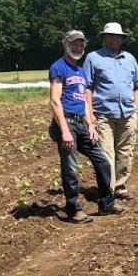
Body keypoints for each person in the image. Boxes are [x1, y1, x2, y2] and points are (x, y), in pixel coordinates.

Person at [47, 30, 121, 222]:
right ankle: (73, 210)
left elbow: (85, 103)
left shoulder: (80, 71)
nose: (78, 47)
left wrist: (91, 126)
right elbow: (55, 101)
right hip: (67, 123)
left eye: (81, 44)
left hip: (82, 123)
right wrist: (64, 131)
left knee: (103, 161)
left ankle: (107, 204)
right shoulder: (58, 67)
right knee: (71, 167)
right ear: (65, 44)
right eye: (74, 43)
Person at [84, 22, 138, 200]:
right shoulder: (93, 58)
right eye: (110, 36)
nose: (114, 39)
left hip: (127, 113)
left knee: (126, 150)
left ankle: (120, 186)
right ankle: (108, 189)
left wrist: (135, 108)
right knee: (106, 153)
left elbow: (137, 85)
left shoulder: (130, 58)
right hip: (103, 113)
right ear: (104, 38)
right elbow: (87, 87)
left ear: (122, 39)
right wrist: (89, 114)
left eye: (117, 37)